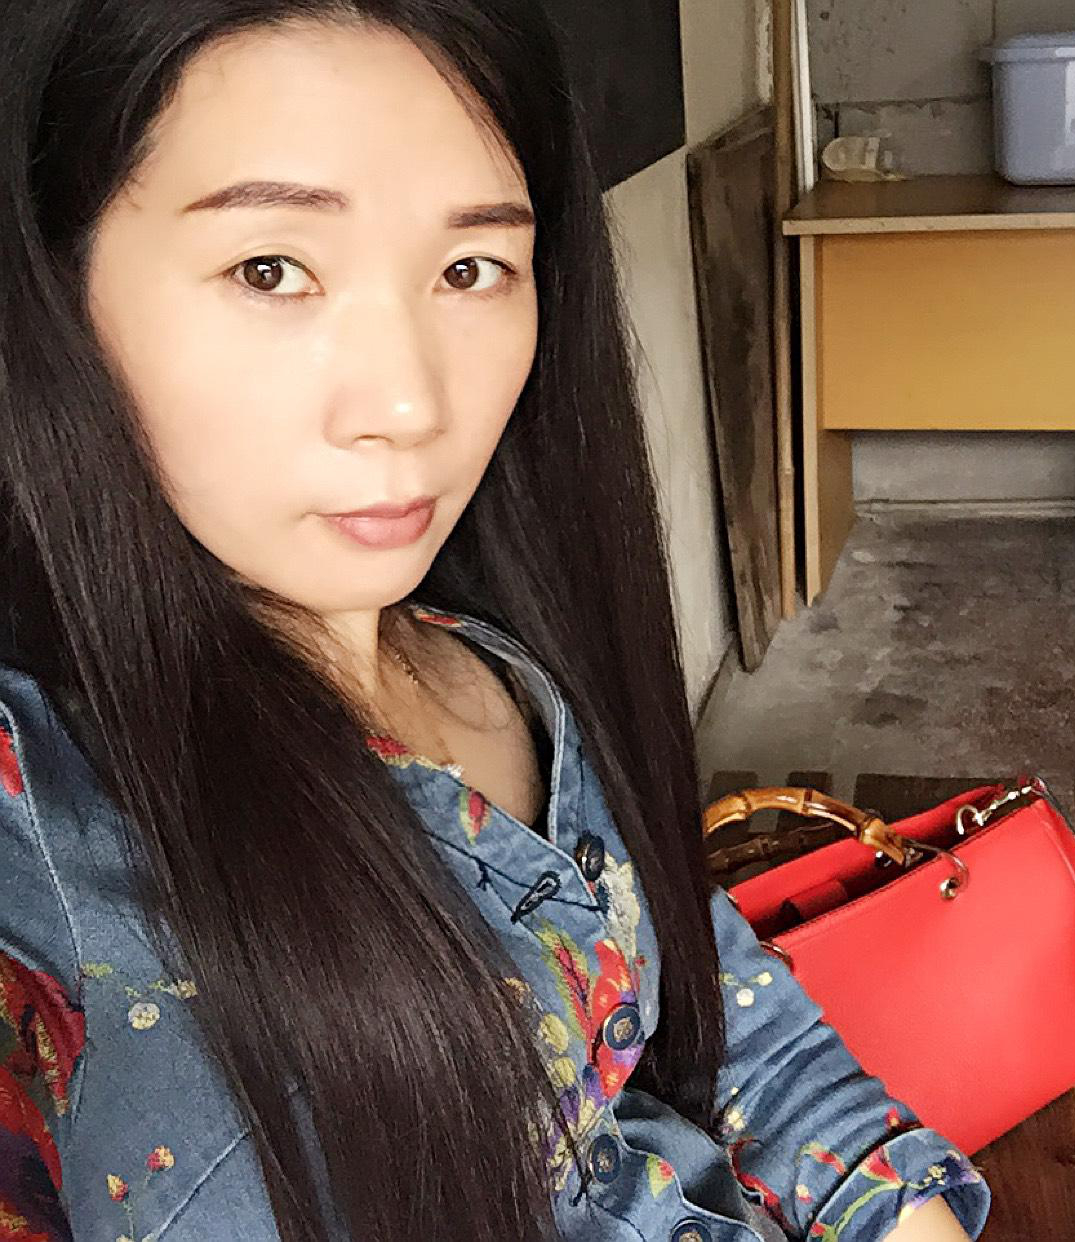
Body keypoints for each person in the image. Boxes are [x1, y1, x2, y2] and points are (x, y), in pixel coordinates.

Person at [0, 3, 991, 1239]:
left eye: (470, 269)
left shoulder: (501, 666)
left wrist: (900, 1213)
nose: (412, 403)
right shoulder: (48, 828)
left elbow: (729, 1011)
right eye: (272, 269)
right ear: (56, 292)